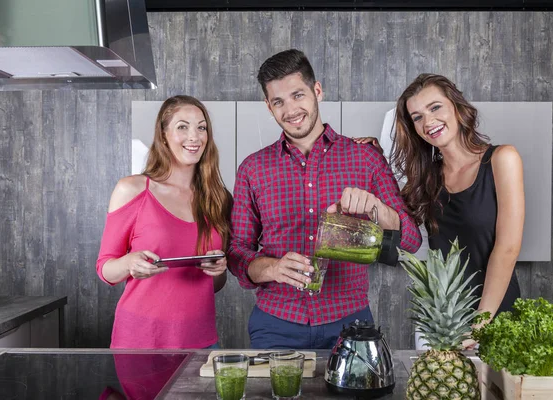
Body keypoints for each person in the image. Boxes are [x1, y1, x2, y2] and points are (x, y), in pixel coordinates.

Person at [228, 49, 422, 350]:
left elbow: (411, 240)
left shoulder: (366, 159)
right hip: (276, 324)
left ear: (317, 91)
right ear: (268, 106)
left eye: (298, 95)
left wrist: (377, 209)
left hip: (351, 323)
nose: (290, 109)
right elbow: (237, 252)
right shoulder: (253, 169)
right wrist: (271, 268)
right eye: (278, 101)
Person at [356, 73, 525, 349]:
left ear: (457, 108)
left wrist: (479, 325)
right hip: (441, 322)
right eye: (417, 117)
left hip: (495, 317)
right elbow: (399, 226)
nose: (428, 122)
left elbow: (507, 248)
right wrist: (375, 158)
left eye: (435, 107)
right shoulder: (425, 179)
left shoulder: (502, 159)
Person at [96, 95, 232, 349]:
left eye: (201, 127)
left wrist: (218, 270)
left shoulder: (219, 198)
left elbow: (213, 286)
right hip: (140, 340)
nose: (195, 137)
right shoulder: (133, 189)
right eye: (183, 126)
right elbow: (105, 270)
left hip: (200, 341)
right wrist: (129, 262)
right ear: (163, 134)